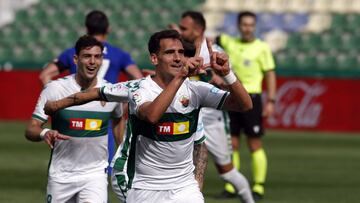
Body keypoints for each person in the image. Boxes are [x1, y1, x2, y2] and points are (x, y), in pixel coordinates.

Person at [44, 29, 253, 203]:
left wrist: (227, 73)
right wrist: (58, 103)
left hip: (183, 186)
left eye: (181, 52)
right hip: (144, 186)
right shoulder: (140, 90)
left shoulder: (197, 90)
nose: (178, 57)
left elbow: (245, 105)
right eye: (170, 52)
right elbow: (151, 115)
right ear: (154, 58)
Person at [39, 10, 143, 173]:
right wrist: (121, 103)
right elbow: (137, 80)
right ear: (108, 29)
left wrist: (57, 97)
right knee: (101, 172)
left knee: (69, 166)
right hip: (105, 114)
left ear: (86, 28)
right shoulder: (119, 54)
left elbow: (45, 74)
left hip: (74, 113)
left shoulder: (74, 52)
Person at [25, 35, 123, 203]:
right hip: (61, 175)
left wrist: (122, 154)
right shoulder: (55, 89)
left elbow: (119, 119)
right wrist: (44, 133)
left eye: (97, 57)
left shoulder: (110, 91)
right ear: (76, 59)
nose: (92, 61)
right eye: (87, 56)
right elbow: (31, 129)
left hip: (95, 175)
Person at [175, 10, 255, 202]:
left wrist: (219, 78)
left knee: (227, 172)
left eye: (184, 28)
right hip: (187, 118)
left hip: (212, 120)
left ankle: (249, 200)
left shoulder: (214, 52)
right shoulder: (179, 50)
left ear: (199, 29)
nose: (181, 31)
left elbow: (236, 84)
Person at [216, 11, 277, 200]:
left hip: (253, 98)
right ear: (238, 25)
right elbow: (207, 40)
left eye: (250, 25)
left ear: (255, 26)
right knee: (231, 144)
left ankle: (258, 186)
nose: (247, 28)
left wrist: (271, 101)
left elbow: (270, 74)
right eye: (244, 24)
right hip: (232, 97)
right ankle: (232, 185)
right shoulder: (229, 42)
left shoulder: (262, 47)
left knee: (254, 143)